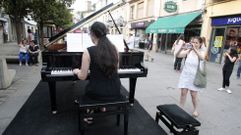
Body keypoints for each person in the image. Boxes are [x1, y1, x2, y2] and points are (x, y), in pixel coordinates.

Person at [73, 22, 121, 123]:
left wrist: (77, 71)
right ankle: (102, 106)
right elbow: (116, 69)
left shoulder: (88, 51)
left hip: (97, 93)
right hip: (115, 90)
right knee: (101, 84)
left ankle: (89, 114)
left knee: (91, 89)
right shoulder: (115, 48)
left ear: (93, 34)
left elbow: (82, 76)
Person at [177, 36, 205, 117]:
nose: (194, 44)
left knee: (193, 95)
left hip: (194, 77)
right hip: (185, 75)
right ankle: (180, 108)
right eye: (193, 42)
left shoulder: (201, 52)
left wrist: (194, 49)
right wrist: (181, 48)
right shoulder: (188, 51)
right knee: (183, 93)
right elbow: (178, 55)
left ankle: (195, 109)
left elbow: (202, 58)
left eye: (196, 43)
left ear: (200, 44)